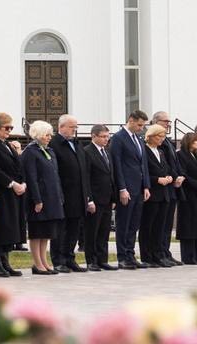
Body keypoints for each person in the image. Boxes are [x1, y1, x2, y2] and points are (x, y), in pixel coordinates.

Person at [19, 119, 63, 275]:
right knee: (37, 233)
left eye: (50, 135)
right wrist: (37, 200)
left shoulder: (49, 151)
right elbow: (32, 178)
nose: (49, 137)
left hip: (51, 198)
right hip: (38, 199)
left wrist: (59, 196)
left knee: (46, 233)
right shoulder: (30, 152)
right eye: (46, 135)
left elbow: (55, 175)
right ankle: (37, 263)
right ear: (37, 134)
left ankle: (44, 261)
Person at [0, 112, 25, 279]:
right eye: (6, 127)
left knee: (10, 228)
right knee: (0, 228)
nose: (9, 131)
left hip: (13, 193)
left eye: (11, 127)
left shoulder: (7, 145)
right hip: (1, 192)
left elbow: (18, 166)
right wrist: (12, 183)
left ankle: (5, 261)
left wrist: (23, 183)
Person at [109, 110, 150, 269]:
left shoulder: (138, 139)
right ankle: (122, 257)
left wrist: (146, 185)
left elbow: (143, 164)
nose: (141, 128)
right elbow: (117, 164)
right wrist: (122, 188)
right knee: (123, 223)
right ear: (131, 120)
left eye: (143, 126)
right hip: (127, 188)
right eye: (139, 125)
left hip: (139, 188)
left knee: (134, 224)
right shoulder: (118, 138)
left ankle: (130, 254)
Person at [51, 115, 91, 273]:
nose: (74, 130)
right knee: (61, 230)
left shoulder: (77, 143)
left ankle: (69, 258)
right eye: (71, 127)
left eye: (76, 127)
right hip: (63, 194)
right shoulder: (54, 144)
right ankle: (58, 260)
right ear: (61, 127)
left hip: (78, 194)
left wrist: (87, 194)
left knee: (74, 229)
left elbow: (84, 170)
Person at [80, 124, 117, 271]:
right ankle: (91, 260)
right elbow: (86, 178)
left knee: (104, 231)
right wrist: (89, 199)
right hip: (95, 198)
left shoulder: (106, 152)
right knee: (92, 231)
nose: (106, 139)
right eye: (103, 136)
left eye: (108, 136)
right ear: (94, 136)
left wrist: (113, 198)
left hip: (107, 198)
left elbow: (110, 175)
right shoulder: (87, 152)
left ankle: (102, 259)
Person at [142, 123, 178, 266]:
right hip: (152, 194)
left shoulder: (160, 151)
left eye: (163, 136)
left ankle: (158, 255)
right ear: (151, 136)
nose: (162, 139)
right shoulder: (144, 150)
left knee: (159, 227)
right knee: (148, 226)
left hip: (164, 194)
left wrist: (169, 177)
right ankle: (147, 256)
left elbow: (166, 168)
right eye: (159, 136)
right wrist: (157, 179)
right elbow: (144, 172)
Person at [176, 131, 197, 265]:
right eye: (195, 141)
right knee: (189, 225)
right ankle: (188, 256)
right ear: (189, 142)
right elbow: (184, 174)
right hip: (189, 194)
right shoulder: (181, 155)